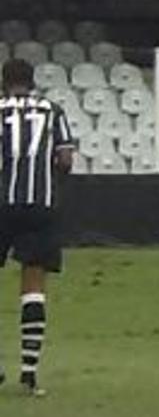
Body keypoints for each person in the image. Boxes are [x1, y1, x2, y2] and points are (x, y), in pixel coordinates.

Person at [0, 59, 78, 396]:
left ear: (4, 83)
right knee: (33, 285)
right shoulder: (53, 110)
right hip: (40, 205)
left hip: (1, 203)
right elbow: (65, 160)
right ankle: (29, 373)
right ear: (31, 83)